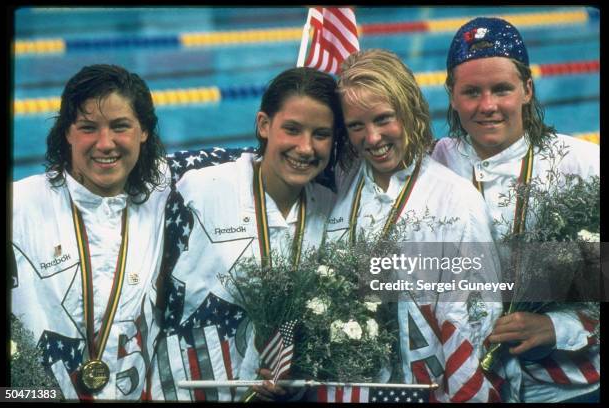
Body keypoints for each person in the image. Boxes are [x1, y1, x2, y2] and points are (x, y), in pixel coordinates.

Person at [150, 67, 345, 402]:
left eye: (321, 134)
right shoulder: (197, 185)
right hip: (187, 389)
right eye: (292, 129)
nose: (305, 148)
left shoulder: (330, 209)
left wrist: (295, 369)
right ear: (264, 125)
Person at [431, 17, 600, 402]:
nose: (487, 106)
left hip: (565, 388)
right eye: (471, 91)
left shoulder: (586, 165)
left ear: (527, 89)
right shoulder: (432, 166)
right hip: (467, 385)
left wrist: (557, 326)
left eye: (501, 89)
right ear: (451, 96)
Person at [324, 49, 504, 403]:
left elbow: (474, 320)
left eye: (383, 119)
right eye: (356, 126)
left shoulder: (455, 201)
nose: (372, 138)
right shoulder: (339, 188)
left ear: (408, 110)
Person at [10, 64, 171, 401]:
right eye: (88, 128)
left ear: (144, 131)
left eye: (120, 126)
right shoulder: (19, 207)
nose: (105, 143)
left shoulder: (165, 198)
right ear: (67, 132)